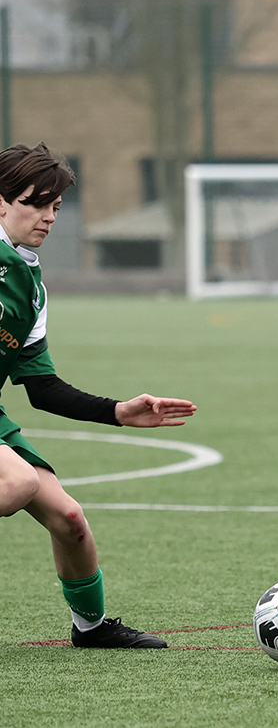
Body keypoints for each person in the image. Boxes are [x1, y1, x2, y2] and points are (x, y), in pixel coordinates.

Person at [0, 142, 197, 648]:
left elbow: (40, 388)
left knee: (69, 520)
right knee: (17, 482)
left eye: (55, 207)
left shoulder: (31, 284)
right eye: (33, 203)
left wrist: (117, 411)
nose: (47, 217)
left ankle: (90, 628)